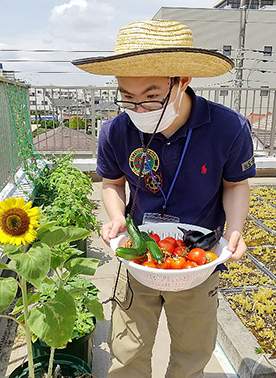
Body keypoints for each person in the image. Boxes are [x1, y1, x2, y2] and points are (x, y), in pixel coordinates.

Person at [72, 19, 256, 378]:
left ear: (182, 81)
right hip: (141, 255)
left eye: (151, 95)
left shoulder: (228, 128)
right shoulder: (116, 131)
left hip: (196, 261)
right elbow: (112, 183)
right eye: (127, 96)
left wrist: (235, 229)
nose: (138, 107)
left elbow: (236, 184)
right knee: (127, 350)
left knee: (192, 352)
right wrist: (117, 217)